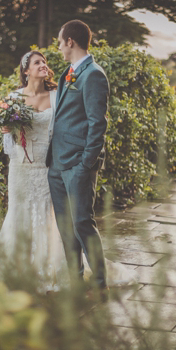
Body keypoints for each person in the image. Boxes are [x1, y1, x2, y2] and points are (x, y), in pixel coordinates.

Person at [0, 46, 137, 294]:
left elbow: (70, 125)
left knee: (54, 219)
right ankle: (17, 270)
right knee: (19, 215)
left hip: (50, 165)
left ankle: (57, 270)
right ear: (26, 71)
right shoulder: (12, 99)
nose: (43, 65)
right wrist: (7, 131)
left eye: (44, 61)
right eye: (37, 62)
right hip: (22, 168)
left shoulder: (58, 94)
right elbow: (8, 145)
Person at [46, 20, 110, 294]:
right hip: (57, 163)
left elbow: (98, 124)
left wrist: (86, 164)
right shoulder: (68, 73)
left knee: (82, 222)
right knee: (65, 227)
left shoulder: (93, 74)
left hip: (78, 165)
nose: (59, 47)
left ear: (70, 41)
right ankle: (76, 282)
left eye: (60, 42)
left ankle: (99, 283)